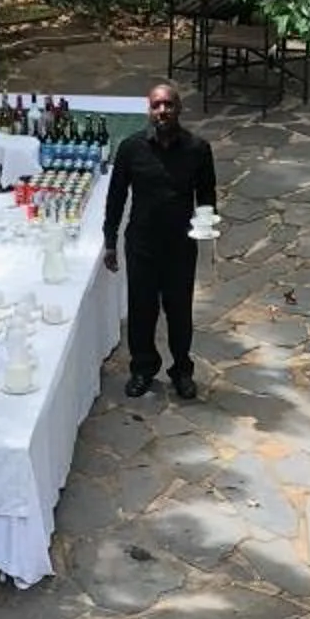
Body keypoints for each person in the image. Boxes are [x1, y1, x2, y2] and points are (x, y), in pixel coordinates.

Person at [103, 81, 216, 399]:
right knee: (142, 311)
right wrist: (109, 241)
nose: (162, 110)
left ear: (179, 108)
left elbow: (207, 193)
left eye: (168, 104)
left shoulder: (198, 149)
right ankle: (142, 369)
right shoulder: (130, 148)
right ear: (149, 111)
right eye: (156, 105)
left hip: (181, 245)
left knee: (180, 312)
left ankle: (182, 371)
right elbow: (115, 199)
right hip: (141, 244)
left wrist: (206, 222)